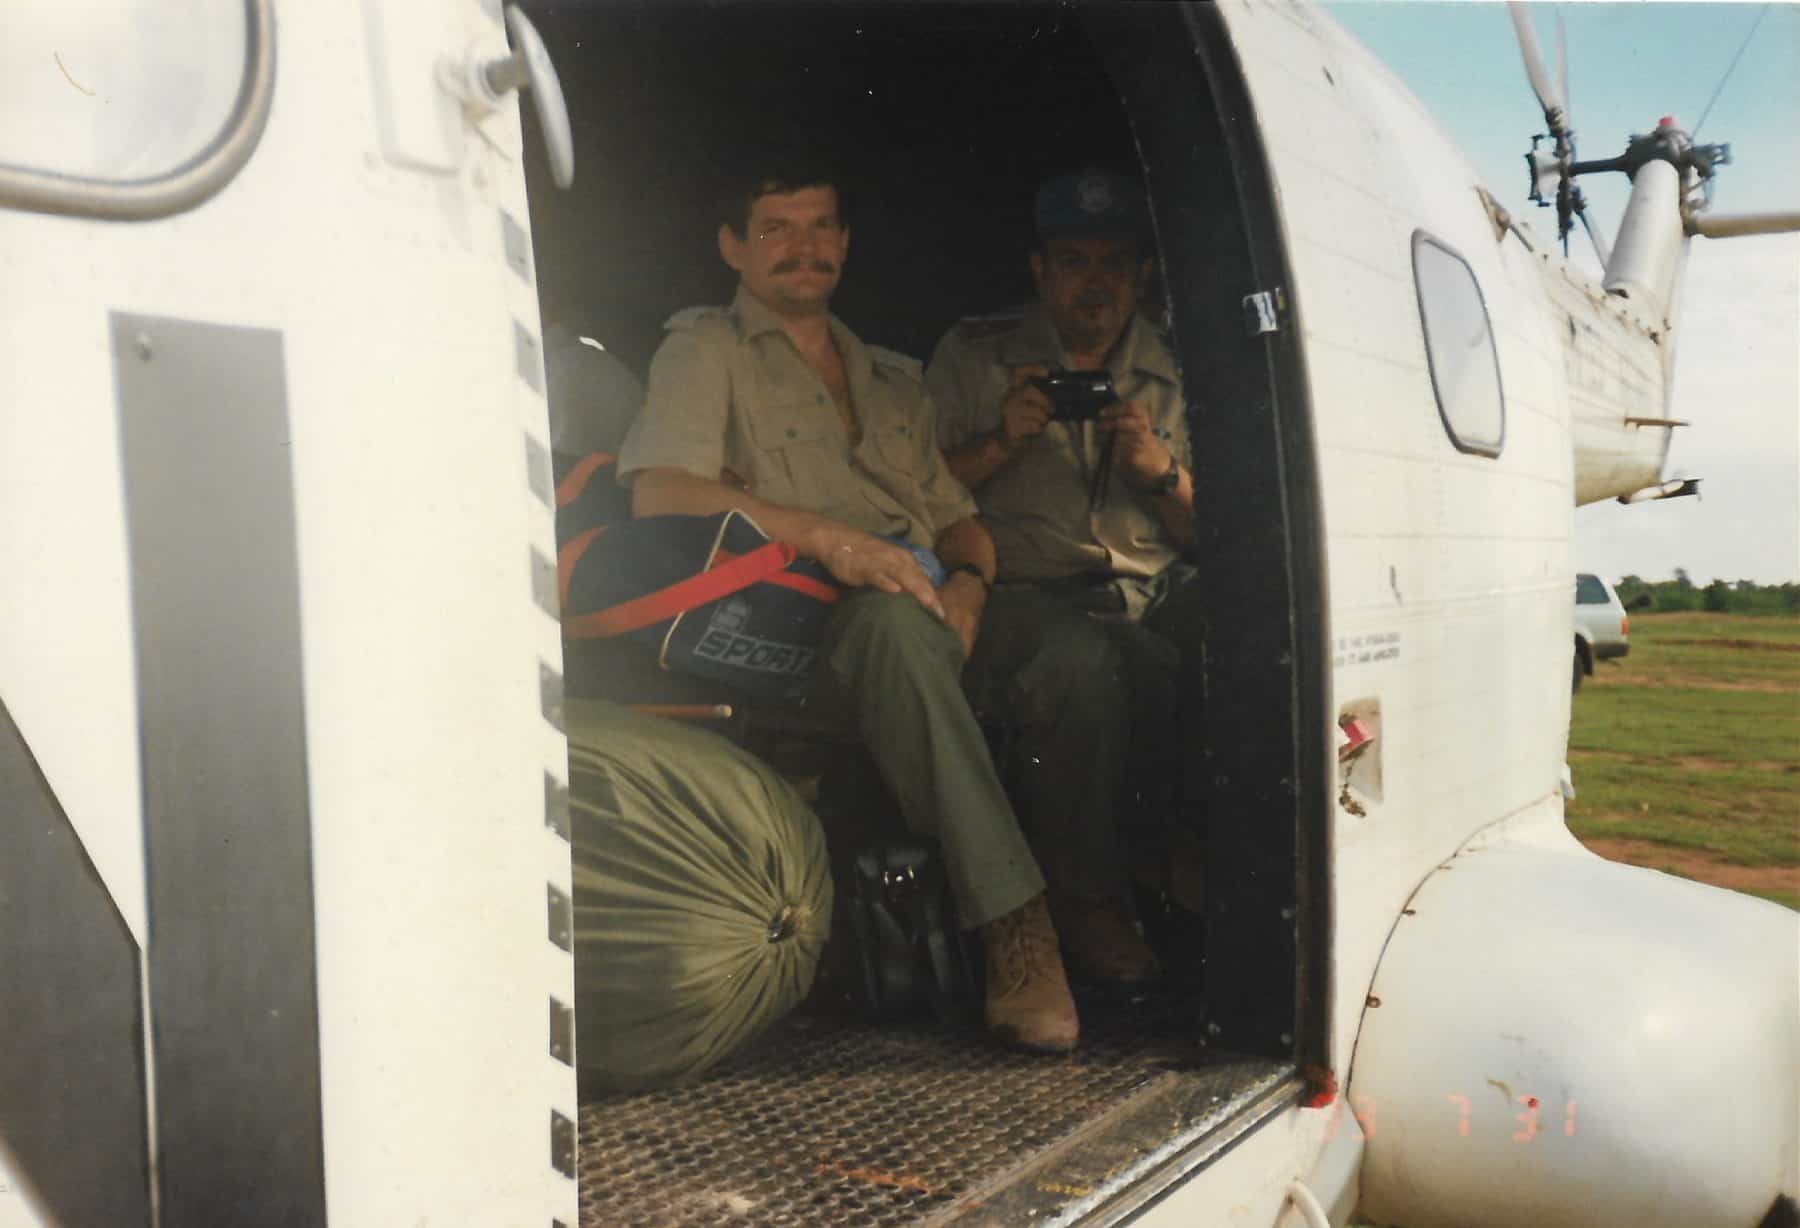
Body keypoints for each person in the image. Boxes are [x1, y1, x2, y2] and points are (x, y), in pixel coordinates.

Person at [613, 152, 1083, 1052]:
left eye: (821, 226)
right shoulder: (706, 350)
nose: (804, 247)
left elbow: (958, 520)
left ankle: (1097, 905)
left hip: (929, 600)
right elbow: (660, 492)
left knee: (1076, 654)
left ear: (845, 242)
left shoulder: (891, 377)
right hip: (803, 628)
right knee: (894, 631)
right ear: (733, 247)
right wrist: (832, 540)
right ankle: (1018, 931)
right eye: (776, 229)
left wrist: (972, 588)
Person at [926, 167, 1202, 985]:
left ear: (1141, 276)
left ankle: (1186, 871)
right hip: (1017, 593)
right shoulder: (975, 356)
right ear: (1040, 271)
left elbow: (1214, 535)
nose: (1095, 283)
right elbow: (911, 497)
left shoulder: (1178, 367)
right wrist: (1000, 442)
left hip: (1143, 595)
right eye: (1075, 262)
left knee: (1218, 642)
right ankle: (1085, 905)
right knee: (1079, 666)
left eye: (1114, 264)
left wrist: (1159, 471)